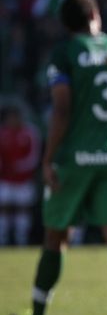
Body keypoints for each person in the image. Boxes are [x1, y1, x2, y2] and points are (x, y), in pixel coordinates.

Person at [31, 0, 107, 315]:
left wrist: (48, 159)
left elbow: (61, 110)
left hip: (75, 159)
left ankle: (37, 309)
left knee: (56, 234)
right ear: (95, 15)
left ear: (66, 24)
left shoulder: (65, 52)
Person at [0, 104, 40, 246]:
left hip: (24, 180)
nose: (12, 120)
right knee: (4, 209)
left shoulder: (30, 132)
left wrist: (18, 167)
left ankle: (21, 241)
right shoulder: (2, 133)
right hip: (5, 179)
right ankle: (3, 241)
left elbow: (34, 157)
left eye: (15, 117)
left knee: (23, 210)